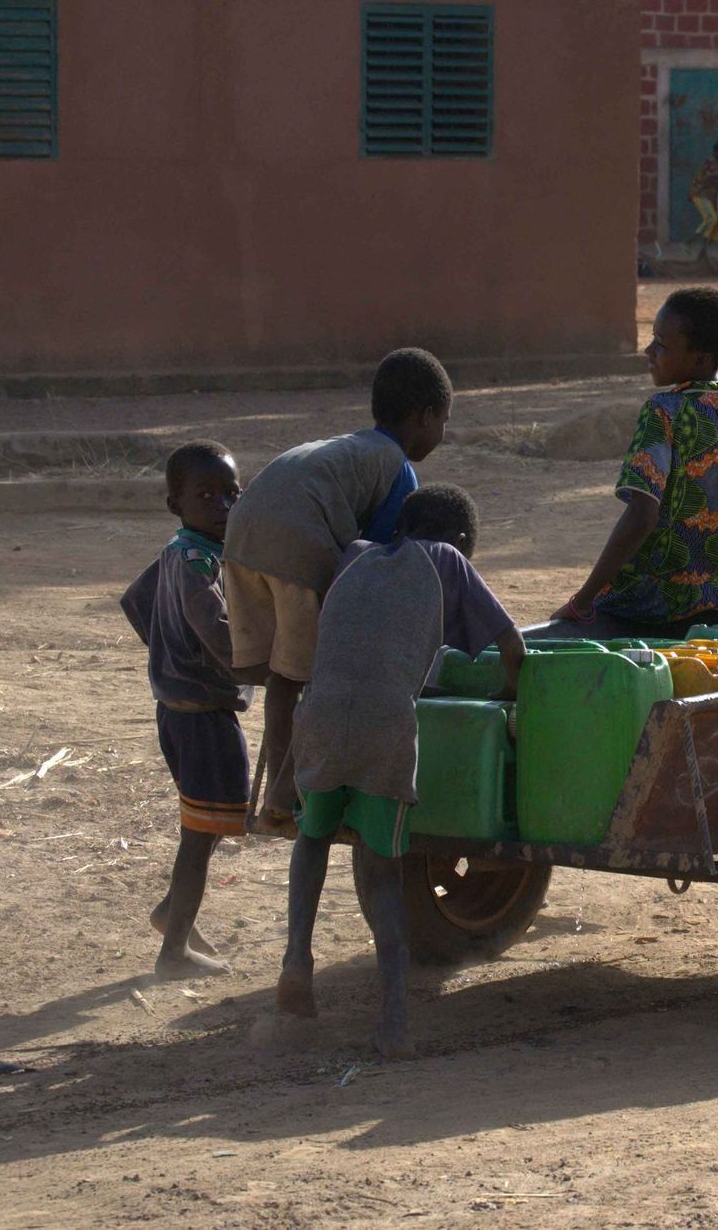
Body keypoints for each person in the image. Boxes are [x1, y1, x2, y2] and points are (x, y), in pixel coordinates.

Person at [277, 485, 525, 1056]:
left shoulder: (357, 553)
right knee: (383, 872)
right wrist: (507, 700)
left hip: (316, 713)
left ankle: (296, 962)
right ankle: (392, 1023)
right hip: (385, 725)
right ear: (461, 541)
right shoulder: (450, 560)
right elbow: (514, 647)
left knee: (312, 841)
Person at [221, 348, 452, 829]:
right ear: (425, 417)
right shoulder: (397, 467)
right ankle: (292, 792)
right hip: (297, 548)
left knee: (285, 677)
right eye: (443, 421)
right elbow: (379, 558)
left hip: (242, 541)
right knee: (322, 676)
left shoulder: (349, 448)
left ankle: (282, 796)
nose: (442, 433)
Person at [550, 286, 718, 635]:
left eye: (661, 344)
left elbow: (641, 514)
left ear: (699, 359)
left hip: (636, 607)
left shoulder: (664, 413)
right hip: (707, 608)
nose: (649, 351)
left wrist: (582, 601)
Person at [120, 440, 265, 978]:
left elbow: (137, 603)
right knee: (201, 836)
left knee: (201, 832)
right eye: (206, 495)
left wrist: (168, 652)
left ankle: (172, 918)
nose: (223, 506)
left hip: (180, 710)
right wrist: (267, 668)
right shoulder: (197, 561)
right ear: (175, 504)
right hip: (202, 714)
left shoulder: (180, 551)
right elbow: (219, 634)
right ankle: (174, 947)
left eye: (232, 493)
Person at [689, 140, 718, 245]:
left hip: (706, 196)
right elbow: (712, 180)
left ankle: (705, 246)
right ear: (717, 153)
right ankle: (690, 242)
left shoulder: (716, 165)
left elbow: (717, 181)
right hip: (701, 195)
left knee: (715, 219)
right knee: (712, 218)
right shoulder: (711, 163)